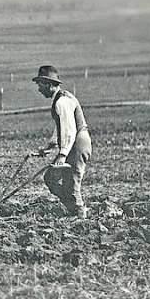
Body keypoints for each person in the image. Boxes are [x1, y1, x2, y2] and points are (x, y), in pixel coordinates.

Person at [32, 65, 92, 218]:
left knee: (72, 183)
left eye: (40, 85)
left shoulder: (62, 102)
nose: (39, 89)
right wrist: (49, 147)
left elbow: (69, 129)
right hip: (73, 142)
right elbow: (60, 129)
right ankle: (73, 208)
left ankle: (80, 215)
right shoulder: (60, 99)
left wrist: (63, 154)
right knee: (50, 178)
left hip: (78, 142)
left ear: (48, 84)